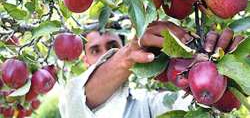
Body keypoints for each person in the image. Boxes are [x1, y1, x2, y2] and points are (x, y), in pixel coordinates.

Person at [59, 21, 243, 118]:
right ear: (85, 61)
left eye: (112, 46)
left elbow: (192, 106)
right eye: (95, 50)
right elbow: (77, 100)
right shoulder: (71, 100)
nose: (105, 54)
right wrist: (126, 58)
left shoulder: (147, 102)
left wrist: (230, 73)